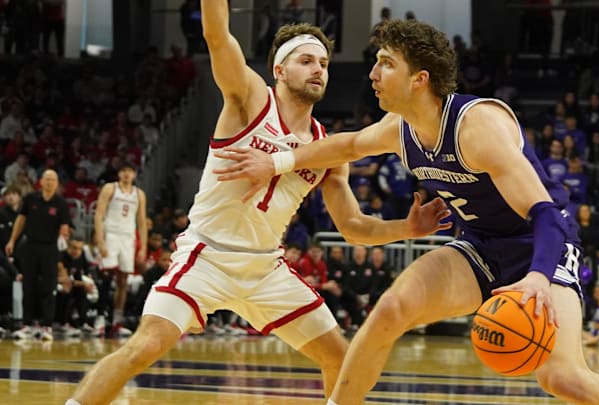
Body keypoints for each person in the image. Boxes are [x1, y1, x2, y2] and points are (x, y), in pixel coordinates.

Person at [213, 19, 599, 405]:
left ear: (419, 79)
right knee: (389, 312)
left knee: (561, 377)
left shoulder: (478, 128)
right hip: (481, 245)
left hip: (542, 247)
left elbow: (546, 213)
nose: (372, 74)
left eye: (385, 63)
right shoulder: (400, 129)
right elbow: (345, 145)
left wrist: (537, 277)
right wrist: (277, 162)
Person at [65, 5, 448, 405]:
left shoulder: (327, 147)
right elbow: (217, 35)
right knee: (144, 346)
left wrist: (406, 228)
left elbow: (352, 225)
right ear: (279, 70)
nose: (318, 69)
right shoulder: (249, 99)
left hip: (266, 268)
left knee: (343, 359)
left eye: (323, 62)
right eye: (306, 61)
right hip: (207, 256)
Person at [6, 170, 70, 341]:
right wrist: (12, 240)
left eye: (53, 180)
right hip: (31, 246)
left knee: (48, 287)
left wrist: (65, 233)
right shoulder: (31, 199)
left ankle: (46, 326)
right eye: (47, 179)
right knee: (28, 286)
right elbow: (21, 220)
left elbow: (65, 227)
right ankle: (27, 325)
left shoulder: (61, 204)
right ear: (40, 181)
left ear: (57, 184)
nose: (49, 182)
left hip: (50, 248)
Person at [94, 162, 148, 338]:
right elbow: (99, 214)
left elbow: (141, 222)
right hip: (111, 234)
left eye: (130, 171)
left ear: (134, 175)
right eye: (124, 170)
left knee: (122, 280)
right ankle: (100, 318)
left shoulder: (139, 194)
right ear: (119, 174)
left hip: (127, 237)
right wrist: (100, 239)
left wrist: (143, 247)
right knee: (106, 276)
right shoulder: (110, 188)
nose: (126, 174)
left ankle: (117, 320)